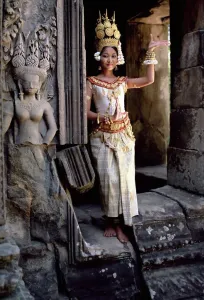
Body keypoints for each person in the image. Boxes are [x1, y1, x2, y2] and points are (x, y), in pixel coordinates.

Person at [86, 11, 170, 243]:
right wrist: (104, 117)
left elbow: (149, 80)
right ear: (99, 57)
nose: (110, 60)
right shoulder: (91, 82)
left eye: (113, 55)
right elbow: (86, 113)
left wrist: (151, 51)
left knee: (125, 180)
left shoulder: (123, 82)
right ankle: (110, 221)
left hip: (123, 136)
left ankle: (123, 224)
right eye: (105, 56)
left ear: (118, 57)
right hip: (102, 137)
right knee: (109, 181)